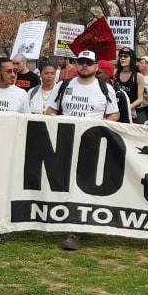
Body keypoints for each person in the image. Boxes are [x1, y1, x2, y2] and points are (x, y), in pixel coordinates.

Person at [47, 50, 119, 251]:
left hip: (91, 144)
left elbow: (114, 114)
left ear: (96, 66)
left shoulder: (105, 88)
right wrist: (53, 118)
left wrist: (100, 125)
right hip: (65, 141)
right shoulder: (64, 85)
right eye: (81, 62)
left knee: (83, 184)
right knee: (64, 183)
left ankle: (75, 229)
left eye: (88, 62)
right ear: (76, 64)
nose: (84, 66)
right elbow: (51, 109)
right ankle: (63, 217)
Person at [115, 47, 145, 119]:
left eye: (125, 56)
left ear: (132, 59)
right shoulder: (115, 73)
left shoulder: (138, 76)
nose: (122, 58)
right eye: (121, 56)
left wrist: (127, 107)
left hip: (131, 111)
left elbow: (140, 99)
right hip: (115, 110)